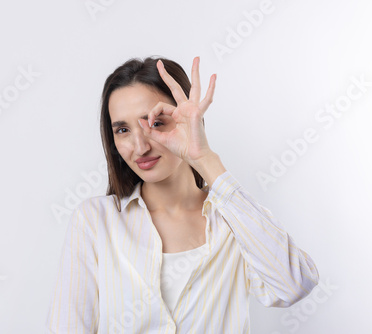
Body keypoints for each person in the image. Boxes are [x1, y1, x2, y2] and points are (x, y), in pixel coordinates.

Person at [44, 56, 320, 333]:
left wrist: (205, 158)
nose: (139, 147)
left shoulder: (234, 220)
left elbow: (294, 285)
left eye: (155, 123)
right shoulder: (95, 220)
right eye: (123, 130)